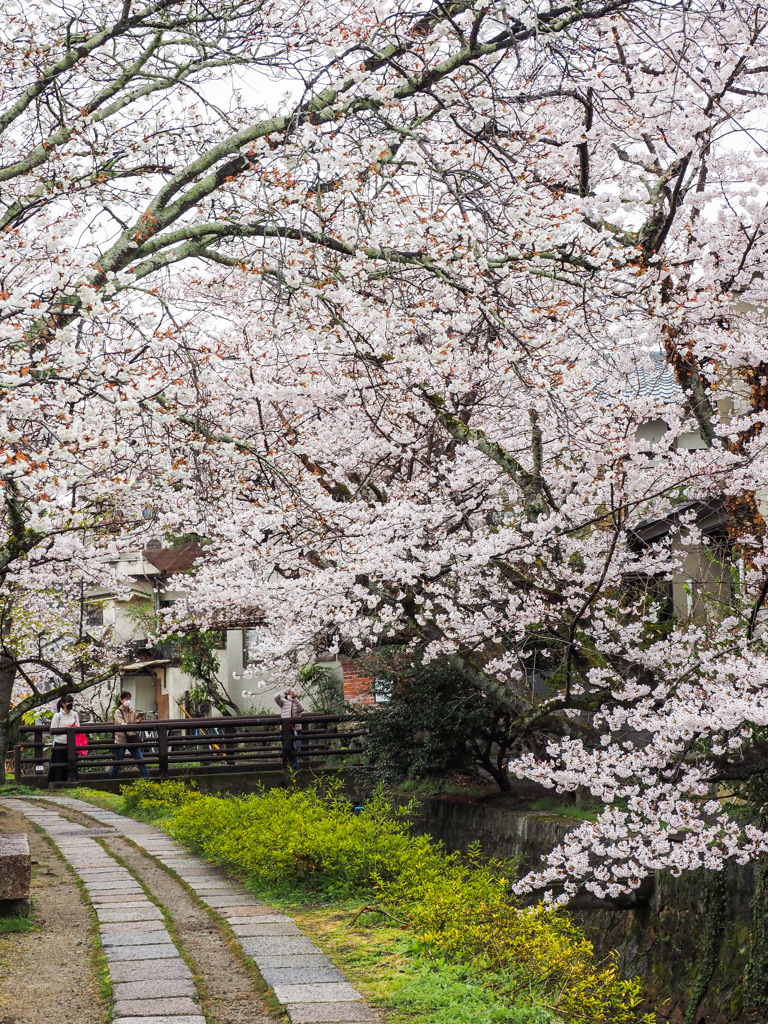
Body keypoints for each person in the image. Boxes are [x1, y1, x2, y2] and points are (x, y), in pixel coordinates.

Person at [109, 690, 151, 779]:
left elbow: (133, 722)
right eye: (126, 698)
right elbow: (120, 723)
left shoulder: (132, 711)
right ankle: (111, 780)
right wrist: (131, 725)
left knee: (141, 761)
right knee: (118, 763)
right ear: (121, 700)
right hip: (121, 739)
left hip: (132, 737)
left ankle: (148, 779)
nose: (128, 700)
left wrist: (137, 721)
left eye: (129, 699)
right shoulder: (118, 712)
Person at [48, 694, 80, 784]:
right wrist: (65, 729)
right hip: (60, 743)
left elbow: (78, 728)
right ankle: (58, 783)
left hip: (72, 744)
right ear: (63, 703)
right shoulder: (57, 716)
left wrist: (73, 727)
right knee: (59, 766)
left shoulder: (74, 715)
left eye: (71, 702)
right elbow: (53, 730)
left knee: (72, 765)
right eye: (68, 702)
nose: (70, 704)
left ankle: (72, 781)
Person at [274, 688, 305, 769]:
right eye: (289, 693)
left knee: (295, 752)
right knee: (284, 751)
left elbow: (301, 709)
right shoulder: (283, 702)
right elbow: (275, 697)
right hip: (285, 730)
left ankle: (295, 771)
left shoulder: (297, 702)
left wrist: (294, 699)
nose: (290, 695)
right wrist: (284, 691)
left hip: (296, 730)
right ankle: (285, 770)